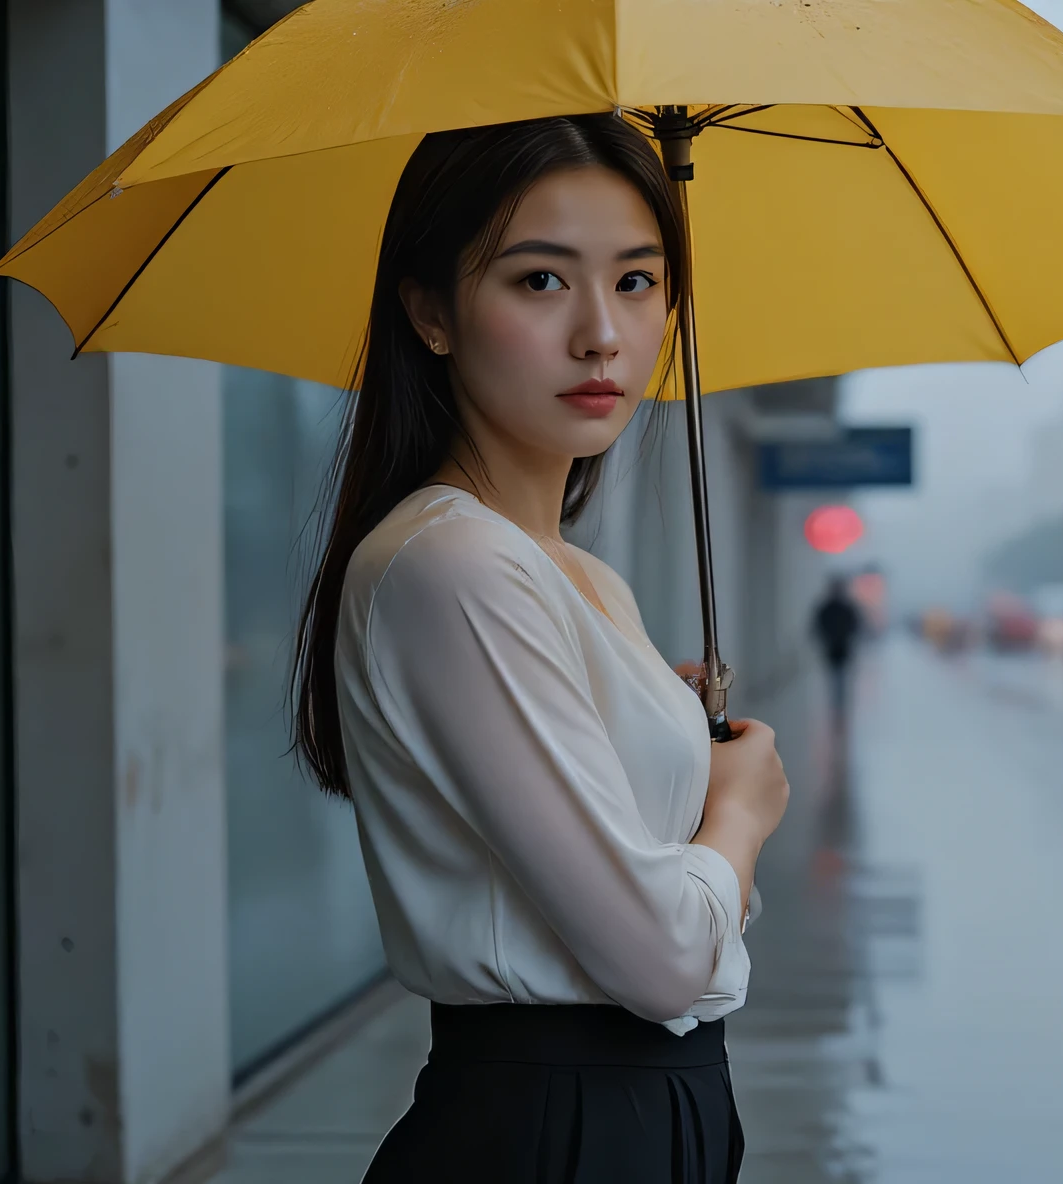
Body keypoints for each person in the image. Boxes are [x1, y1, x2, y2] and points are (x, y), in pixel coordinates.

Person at [291, 114, 789, 1183]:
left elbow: (671, 918)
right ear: (429, 310)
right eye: (539, 282)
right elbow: (664, 960)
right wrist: (740, 809)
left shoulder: (578, 574)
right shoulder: (453, 565)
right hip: (554, 1128)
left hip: (655, 1113)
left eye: (639, 281)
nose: (602, 335)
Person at [812, 575, 864, 707]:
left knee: (840, 677)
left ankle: (838, 701)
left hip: (841, 648)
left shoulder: (838, 608)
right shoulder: (834, 608)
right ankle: (837, 701)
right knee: (836, 677)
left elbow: (855, 625)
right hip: (834, 648)